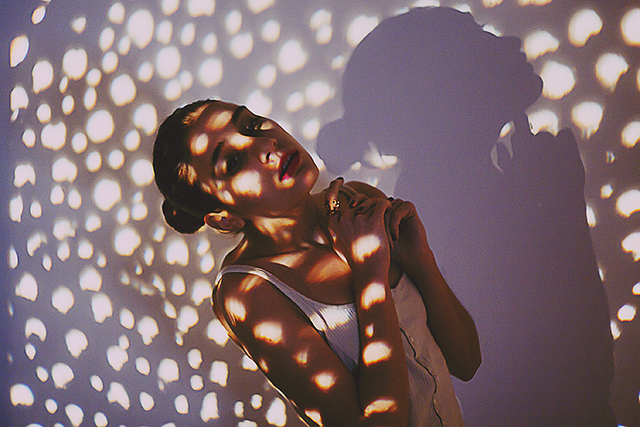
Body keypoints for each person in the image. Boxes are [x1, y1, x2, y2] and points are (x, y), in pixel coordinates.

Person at [317, 7, 616, 426]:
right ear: (441, 88)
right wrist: (562, 210)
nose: (510, 42)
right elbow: (573, 373)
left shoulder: (458, 187)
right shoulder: (441, 207)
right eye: (480, 39)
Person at [152, 99, 481, 426]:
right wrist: (370, 274)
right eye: (234, 161)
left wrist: (422, 261)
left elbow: (467, 362)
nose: (266, 144)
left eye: (251, 124)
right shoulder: (246, 292)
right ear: (225, 218)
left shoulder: (359, 202)